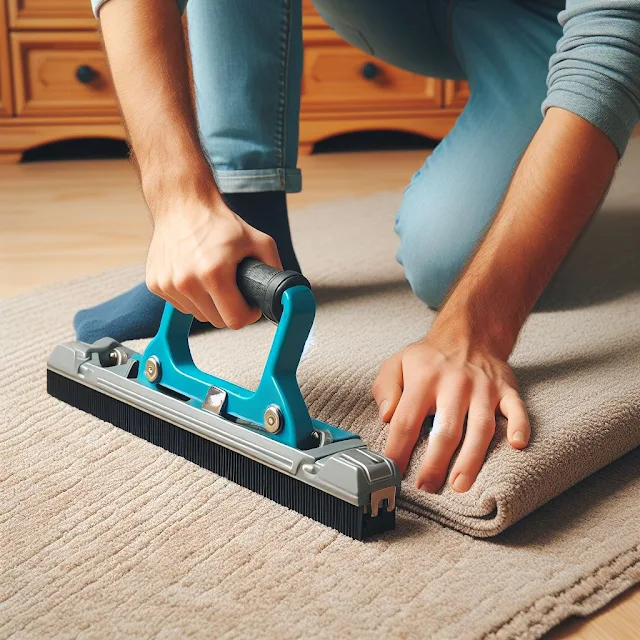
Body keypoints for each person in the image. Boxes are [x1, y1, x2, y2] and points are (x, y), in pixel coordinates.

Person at [77, 0, 639, 496]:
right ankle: (247, 203)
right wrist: (178, 199)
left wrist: (478, 329)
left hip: (540, 18)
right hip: (395, 11)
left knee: (450, 262)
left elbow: (613, 31)